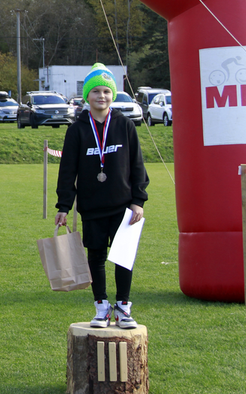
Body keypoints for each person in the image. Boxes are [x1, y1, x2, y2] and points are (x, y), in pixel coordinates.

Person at [55, 63, 148, 329]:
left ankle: (123, 308)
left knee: (122, 258)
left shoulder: (125, 125)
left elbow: (137, 166)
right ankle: (101, 307)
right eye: (96, 91)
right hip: (92, 207)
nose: (101, 96)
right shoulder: (77, 130)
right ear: (87, 96)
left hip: (123, 206)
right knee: (95, 257)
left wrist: (138, 200)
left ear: (113, 95)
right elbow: (67, 171)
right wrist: (64, 206)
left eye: (106, 91)